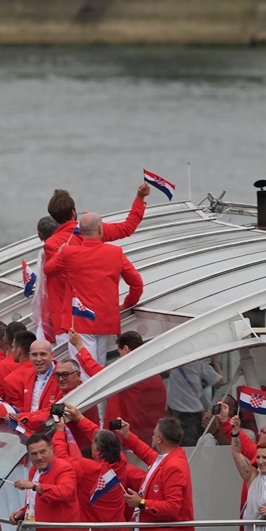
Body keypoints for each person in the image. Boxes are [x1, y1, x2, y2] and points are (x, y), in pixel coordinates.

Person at [42, 184, 148, 343]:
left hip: (72, 319)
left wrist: (60, 253)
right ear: (73, 212)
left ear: (53, 216)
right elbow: (127, 228)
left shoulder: (52, 244)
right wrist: (140, 198)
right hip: (102, 316)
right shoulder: (94, 229)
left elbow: (57, 275)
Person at [42, 211, 143, 366]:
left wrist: (59, 253)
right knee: (98, 368)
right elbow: (137, 283)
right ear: (100, 229)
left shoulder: (69, 253)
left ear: (81, 231)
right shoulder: (115, 253)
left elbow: (49, 270)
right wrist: (127, 303)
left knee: (83, 370)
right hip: (106, 321)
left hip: (80, 321)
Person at [51, 413, 132, 531]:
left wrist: (59, 432)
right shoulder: (122, 462)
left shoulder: (87, 468)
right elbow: (101, 436)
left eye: (93, 445)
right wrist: (79, 418)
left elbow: (62, 457)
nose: (91, 446)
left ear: (98, 451)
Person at [8, 432, 85, 531]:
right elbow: (34, 500)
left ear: (51, 449)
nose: (39, 457)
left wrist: (34, 485)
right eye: (34, 454)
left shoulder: (64, 468)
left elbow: (65, 492)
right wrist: (22, 512)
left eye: (43, 452)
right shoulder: (33, 471)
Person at [117, 417, 195, 531]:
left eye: (154, 434)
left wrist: (140, 503)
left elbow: (172, 506)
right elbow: (146, 453)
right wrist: (127, 435)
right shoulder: (167, 459)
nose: (151, 437)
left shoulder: (174, 466)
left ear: (160, 439)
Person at [66, 328, 166, 431]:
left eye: (119, 353)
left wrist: (79, 346)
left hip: (126, 433)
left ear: (126, 349)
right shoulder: (154, 373)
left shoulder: (127, 372)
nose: (119, 358)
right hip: (150, 432)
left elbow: (96, 371)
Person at [166, 358, 224, 446]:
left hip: (187, 415)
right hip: (182, 414)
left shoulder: (168, 363)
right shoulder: (198, 364)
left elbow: (222, 385)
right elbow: (221, 384)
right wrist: (215, 360)